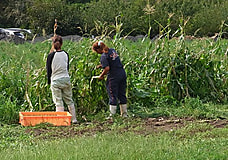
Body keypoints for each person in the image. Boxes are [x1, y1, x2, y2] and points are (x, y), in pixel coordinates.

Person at [46, 35, 77, 124]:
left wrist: (49, 81)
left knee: (58, 101)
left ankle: (61, 121)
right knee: (69, 100)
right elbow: (66, 67)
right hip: (66, 78)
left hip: (56, 80)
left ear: (53, 44)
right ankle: (74, 119)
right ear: (62, 44)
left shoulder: (51, 55)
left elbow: (49, 69)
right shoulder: (66, 54)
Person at [92, 41, 128, 118]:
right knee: (122, 94)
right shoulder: (112, 50)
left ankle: (112, 115)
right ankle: (124, 114)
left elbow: (107, 68)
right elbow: (113, 62)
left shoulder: (104, 56)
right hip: (122, 73)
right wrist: (101, 65)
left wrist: (101, 76)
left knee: (112, 94)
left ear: (98, 50)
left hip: (113, 77)